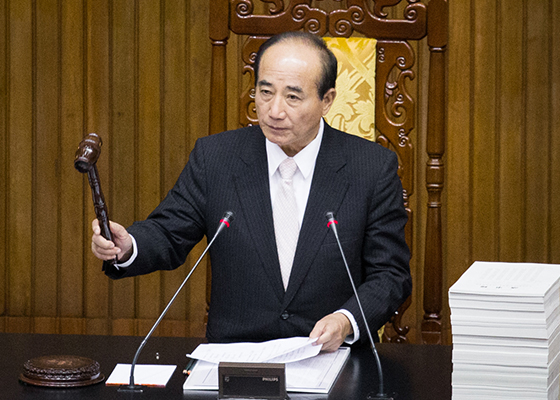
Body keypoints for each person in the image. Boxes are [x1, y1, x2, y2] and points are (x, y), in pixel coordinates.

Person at [91, 31, 411, 352]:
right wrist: (128, 245)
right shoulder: (216, 158)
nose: (274, 110)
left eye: (293, 97)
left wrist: (346, 320)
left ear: (326, 100)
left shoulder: (370, 168)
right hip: (236, 354)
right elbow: (169, 232)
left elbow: (390, 274)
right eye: (265, 91)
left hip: (330, 355)